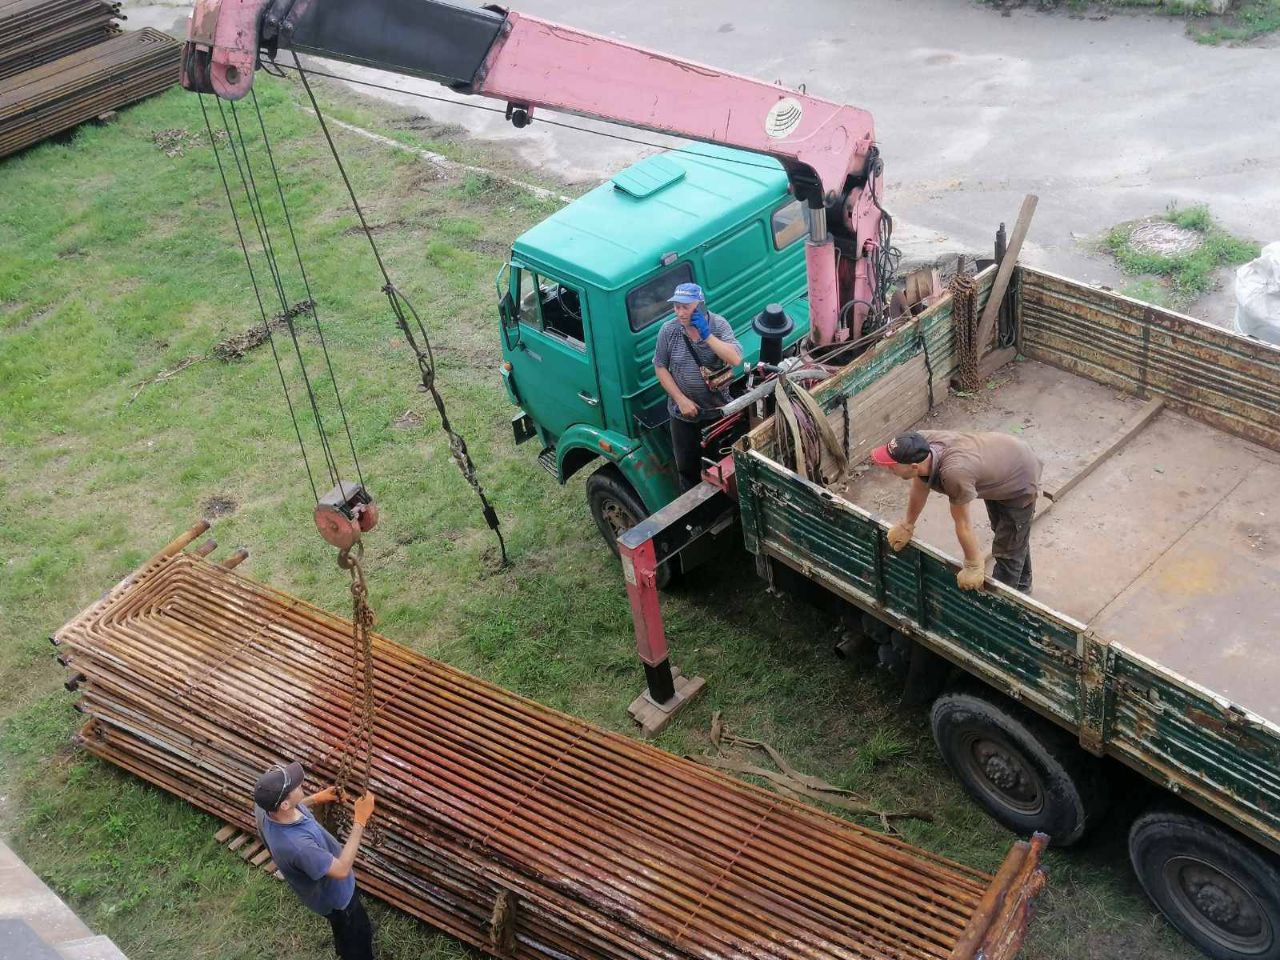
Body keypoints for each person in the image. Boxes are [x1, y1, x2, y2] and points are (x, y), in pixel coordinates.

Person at [870, 430, 1043, 593]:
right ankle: (1023, 583)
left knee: (1009, 547)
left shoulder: (954, 475)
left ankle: (1007, 604)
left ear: (914, 466)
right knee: (1007, 533)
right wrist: (907, 524)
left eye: (892, 465)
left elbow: (963, 524)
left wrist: (973, 563)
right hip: (999, 462)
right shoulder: (918, 443)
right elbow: (920, 487)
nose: (888, 468)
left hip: (1021, 475)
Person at [253, 761, 377, 960]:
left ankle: (343, 946)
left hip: (322, 894)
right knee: (357, 936)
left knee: (342, 931)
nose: (299, 784)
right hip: (337, 898)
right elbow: (342, 870)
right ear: (285, 804)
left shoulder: (265, 808)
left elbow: (290, 807)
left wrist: (315, 799)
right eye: (295, 787)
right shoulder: (298, 846)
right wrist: (360, 820)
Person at [652, 282, 743, 491]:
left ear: (700, 306)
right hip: (683, 416)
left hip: (716, 413)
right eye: (676, 307)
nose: (680, 312)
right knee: (687, 469)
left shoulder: (718, 325)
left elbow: (735, 359)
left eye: (685, 307)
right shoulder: (669, 330)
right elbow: (660, 367)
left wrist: (706, 335)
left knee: (721, 469)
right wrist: (680, 399)